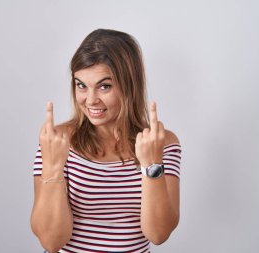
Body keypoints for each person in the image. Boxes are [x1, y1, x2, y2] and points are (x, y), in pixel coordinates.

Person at [30, 29, 182, 253]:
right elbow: (51, 242)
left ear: (129, 85)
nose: (90, 100)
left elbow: (158, 234)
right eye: (81, 85)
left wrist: (152, 165)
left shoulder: (160, 142)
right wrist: (53, 169)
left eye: (105, 86)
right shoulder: (57, 141)